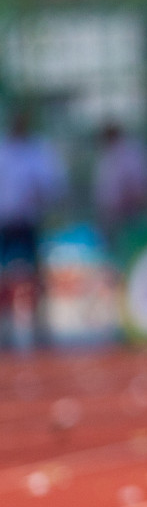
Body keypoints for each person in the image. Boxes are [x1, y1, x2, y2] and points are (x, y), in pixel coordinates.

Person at [0, 109, 66, 350]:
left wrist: (41, 195)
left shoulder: (38, 150)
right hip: (6, 223)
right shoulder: (3, 151)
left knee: (35, 277)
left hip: (29, 222)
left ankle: (40, 327)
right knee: (6, 278)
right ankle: (6, 327)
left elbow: (53, 184)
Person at [93, 121, 147, 251]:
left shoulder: (129, 153)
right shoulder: (107, 155)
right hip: (113, 214)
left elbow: (138, 183)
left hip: (130, 212)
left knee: (134, 246)